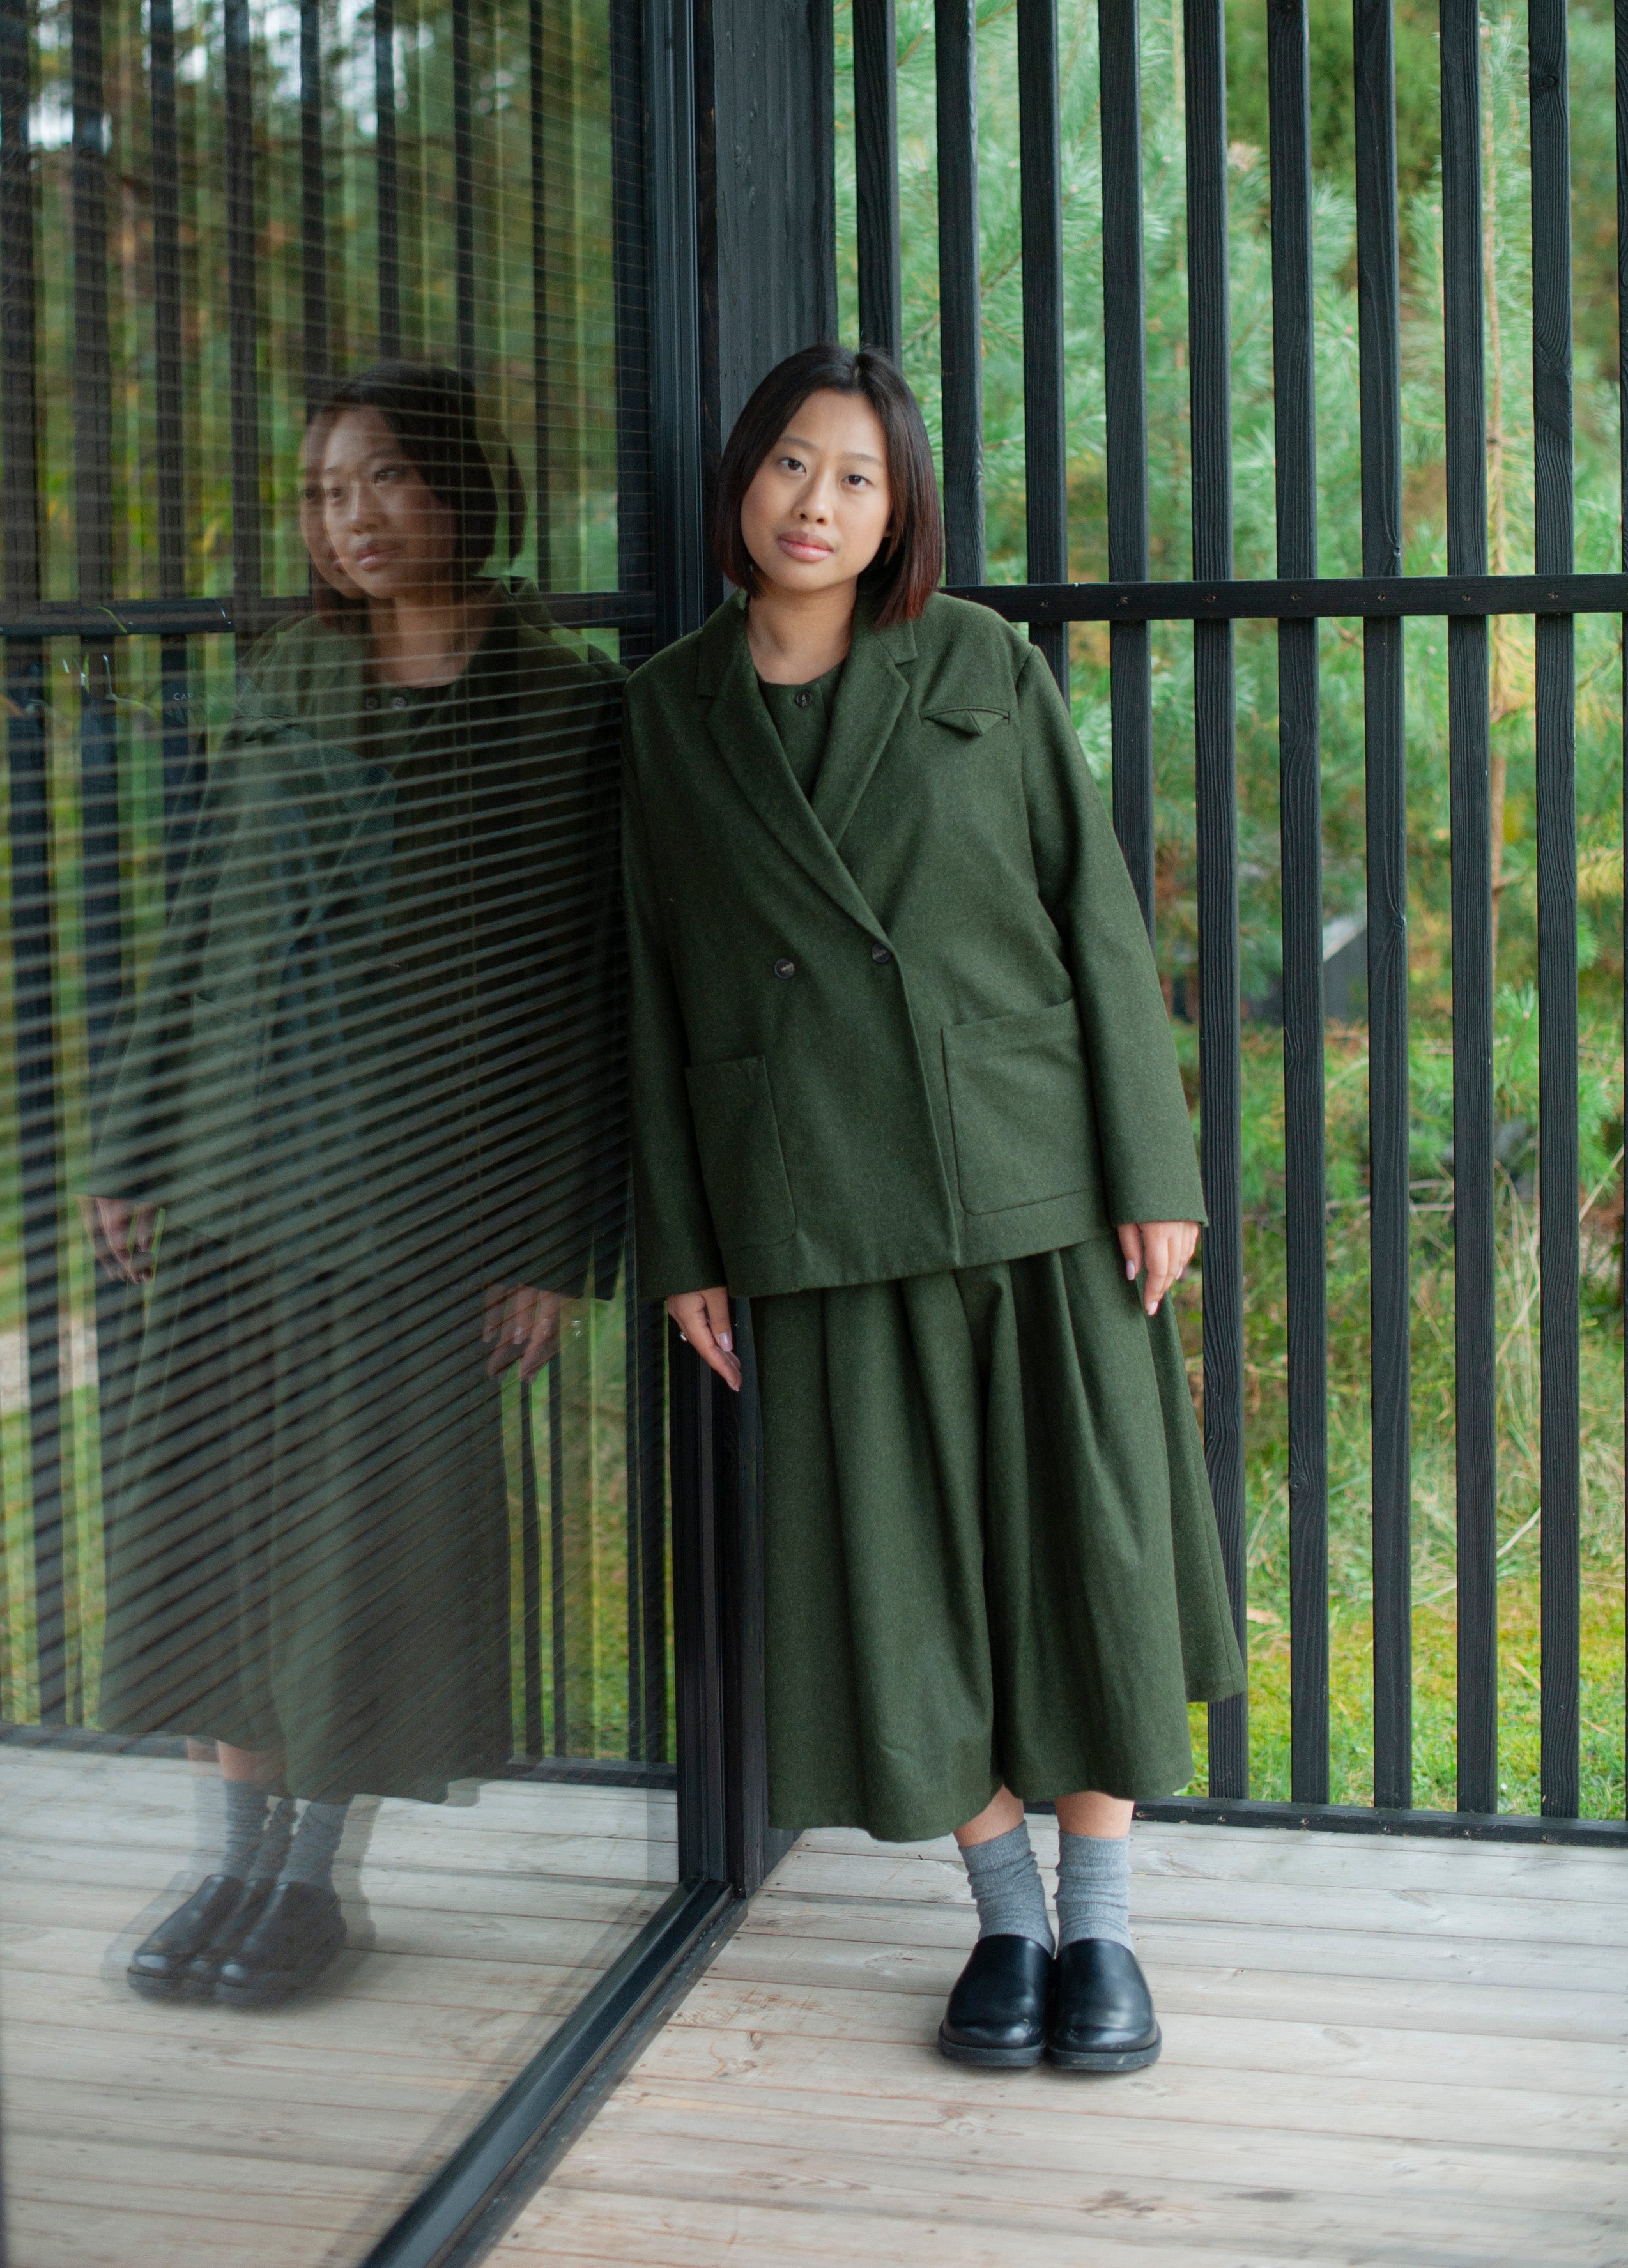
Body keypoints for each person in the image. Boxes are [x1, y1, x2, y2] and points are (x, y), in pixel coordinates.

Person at [622, 342, 1244, 2074]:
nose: (816, 504)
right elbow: (653, 988)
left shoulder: (977, 658)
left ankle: (1102, 1930)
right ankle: (1006, 1918)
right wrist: (685, 1247)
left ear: (899, 509)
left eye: (858, 477)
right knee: (894, 1579)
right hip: (811, 1195)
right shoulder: (667, 709)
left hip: (1031, 1176)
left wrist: (1152, 1169)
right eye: (791, 465)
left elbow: (1095, 912)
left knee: (1086, 1554)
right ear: (742, 480)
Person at [86, 362, 623, 2007]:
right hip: (237, 1174)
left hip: (418, 1200)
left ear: (463, 488)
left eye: (384, 477)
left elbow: (588, 990)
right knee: (212, 1532)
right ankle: (227, 1864)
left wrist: (550, 1243)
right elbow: (200, 925)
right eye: (326, 491)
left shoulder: (564, 707)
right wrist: (133, 1146)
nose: (353, 517)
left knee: (353, 1545)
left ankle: (311, 1883)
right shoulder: (283, 676)